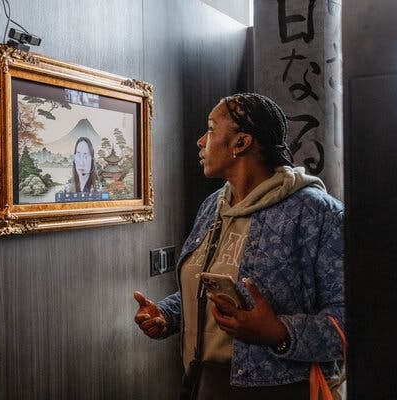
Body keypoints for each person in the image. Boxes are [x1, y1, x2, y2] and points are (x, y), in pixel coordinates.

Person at [133, 93, 344, 399]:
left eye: (210, 129)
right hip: (203, 383)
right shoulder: (213, 206)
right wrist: (166, 314)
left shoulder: (318, 213)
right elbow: (215, 289)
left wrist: (278, 332)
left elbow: (350, 319)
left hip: (283, 390)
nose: (200, 141)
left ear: (241, 143)